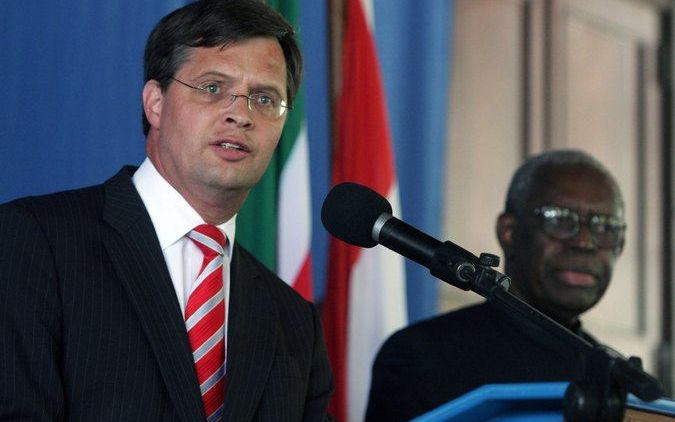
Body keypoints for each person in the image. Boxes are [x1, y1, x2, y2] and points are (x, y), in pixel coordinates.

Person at [0, 1, 333, 420]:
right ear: (155, 103)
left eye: (264, 98)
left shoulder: (293, 322)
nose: (241, 114)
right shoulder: (35, 243)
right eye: (213, 88)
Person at [366, 149, 627, 421]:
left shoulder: (618, 380)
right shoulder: (421, 356)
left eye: (605, 227)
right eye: (559, 219)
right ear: (509, 232)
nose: (584, 242)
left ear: (620, 246)